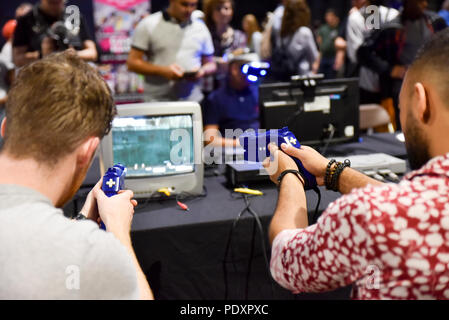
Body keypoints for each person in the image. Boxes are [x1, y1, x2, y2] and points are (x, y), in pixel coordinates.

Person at [263, 30, 449, 299]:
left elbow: (286, 258)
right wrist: (333, 173)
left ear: (421, 103)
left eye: (401, 107)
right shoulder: (396, 209)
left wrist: (289, 174)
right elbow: (403, 200)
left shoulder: (370, 215)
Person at [0, 51, 153, 300]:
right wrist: (117, 232)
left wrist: (83, 220)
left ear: (5, 128)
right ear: (87, 152)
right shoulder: (86, 251)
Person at [358, 0, 447, 129]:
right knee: (406, 126)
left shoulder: (435, 22)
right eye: (420, 2)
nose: (424, 5)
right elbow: (363, 52)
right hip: (402, 87)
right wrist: (389, 69)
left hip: (433, 82)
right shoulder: (391, 28)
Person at [127, 0, 216, 102]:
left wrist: (202, 71)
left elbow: (210, 64)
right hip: (157, 101)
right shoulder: (148, 24)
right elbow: (132, 63)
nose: (189, 9)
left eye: (193, 5)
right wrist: (162, 71)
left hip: (192, 102)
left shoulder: (200, 27)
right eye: (184, 4)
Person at [12, 0, 97, 68]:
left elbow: (92, 53)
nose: (55, 2)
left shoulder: (75, 18)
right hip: (40, 77)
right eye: (51, 2)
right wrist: (41, 55)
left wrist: (73, 54)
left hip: (73, 75)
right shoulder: (26, 20)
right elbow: (17, 59)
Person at [202, 54, 259, 147]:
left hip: (259, 148)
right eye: (248, 68)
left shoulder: (257, 93)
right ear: (234, 69)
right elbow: (209, 139)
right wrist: (241, 143)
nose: (252, 72)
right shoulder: (216, 98)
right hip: (231, 150)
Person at [203, 0, 247, 93]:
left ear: (232, 11)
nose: (223, 12)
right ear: (211, 12)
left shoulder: (239, 36)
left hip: (233, 89)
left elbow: (241, 62)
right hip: (208, 88)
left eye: (226, 8)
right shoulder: (204, 35)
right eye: (218, 9)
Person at [269, 0, 319, 81]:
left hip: (284, 78)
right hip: (302, 78)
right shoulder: (304, 32)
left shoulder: (282, 32)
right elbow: (314, 57)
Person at [317, 9, 340, 79]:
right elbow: (319, 41)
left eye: (330, 16)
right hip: (323, 57)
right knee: (321, 77)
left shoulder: (337, 28)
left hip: (333, 57)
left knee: (331, 78)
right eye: (327, 16)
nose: (328, 18)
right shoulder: (323, 28)